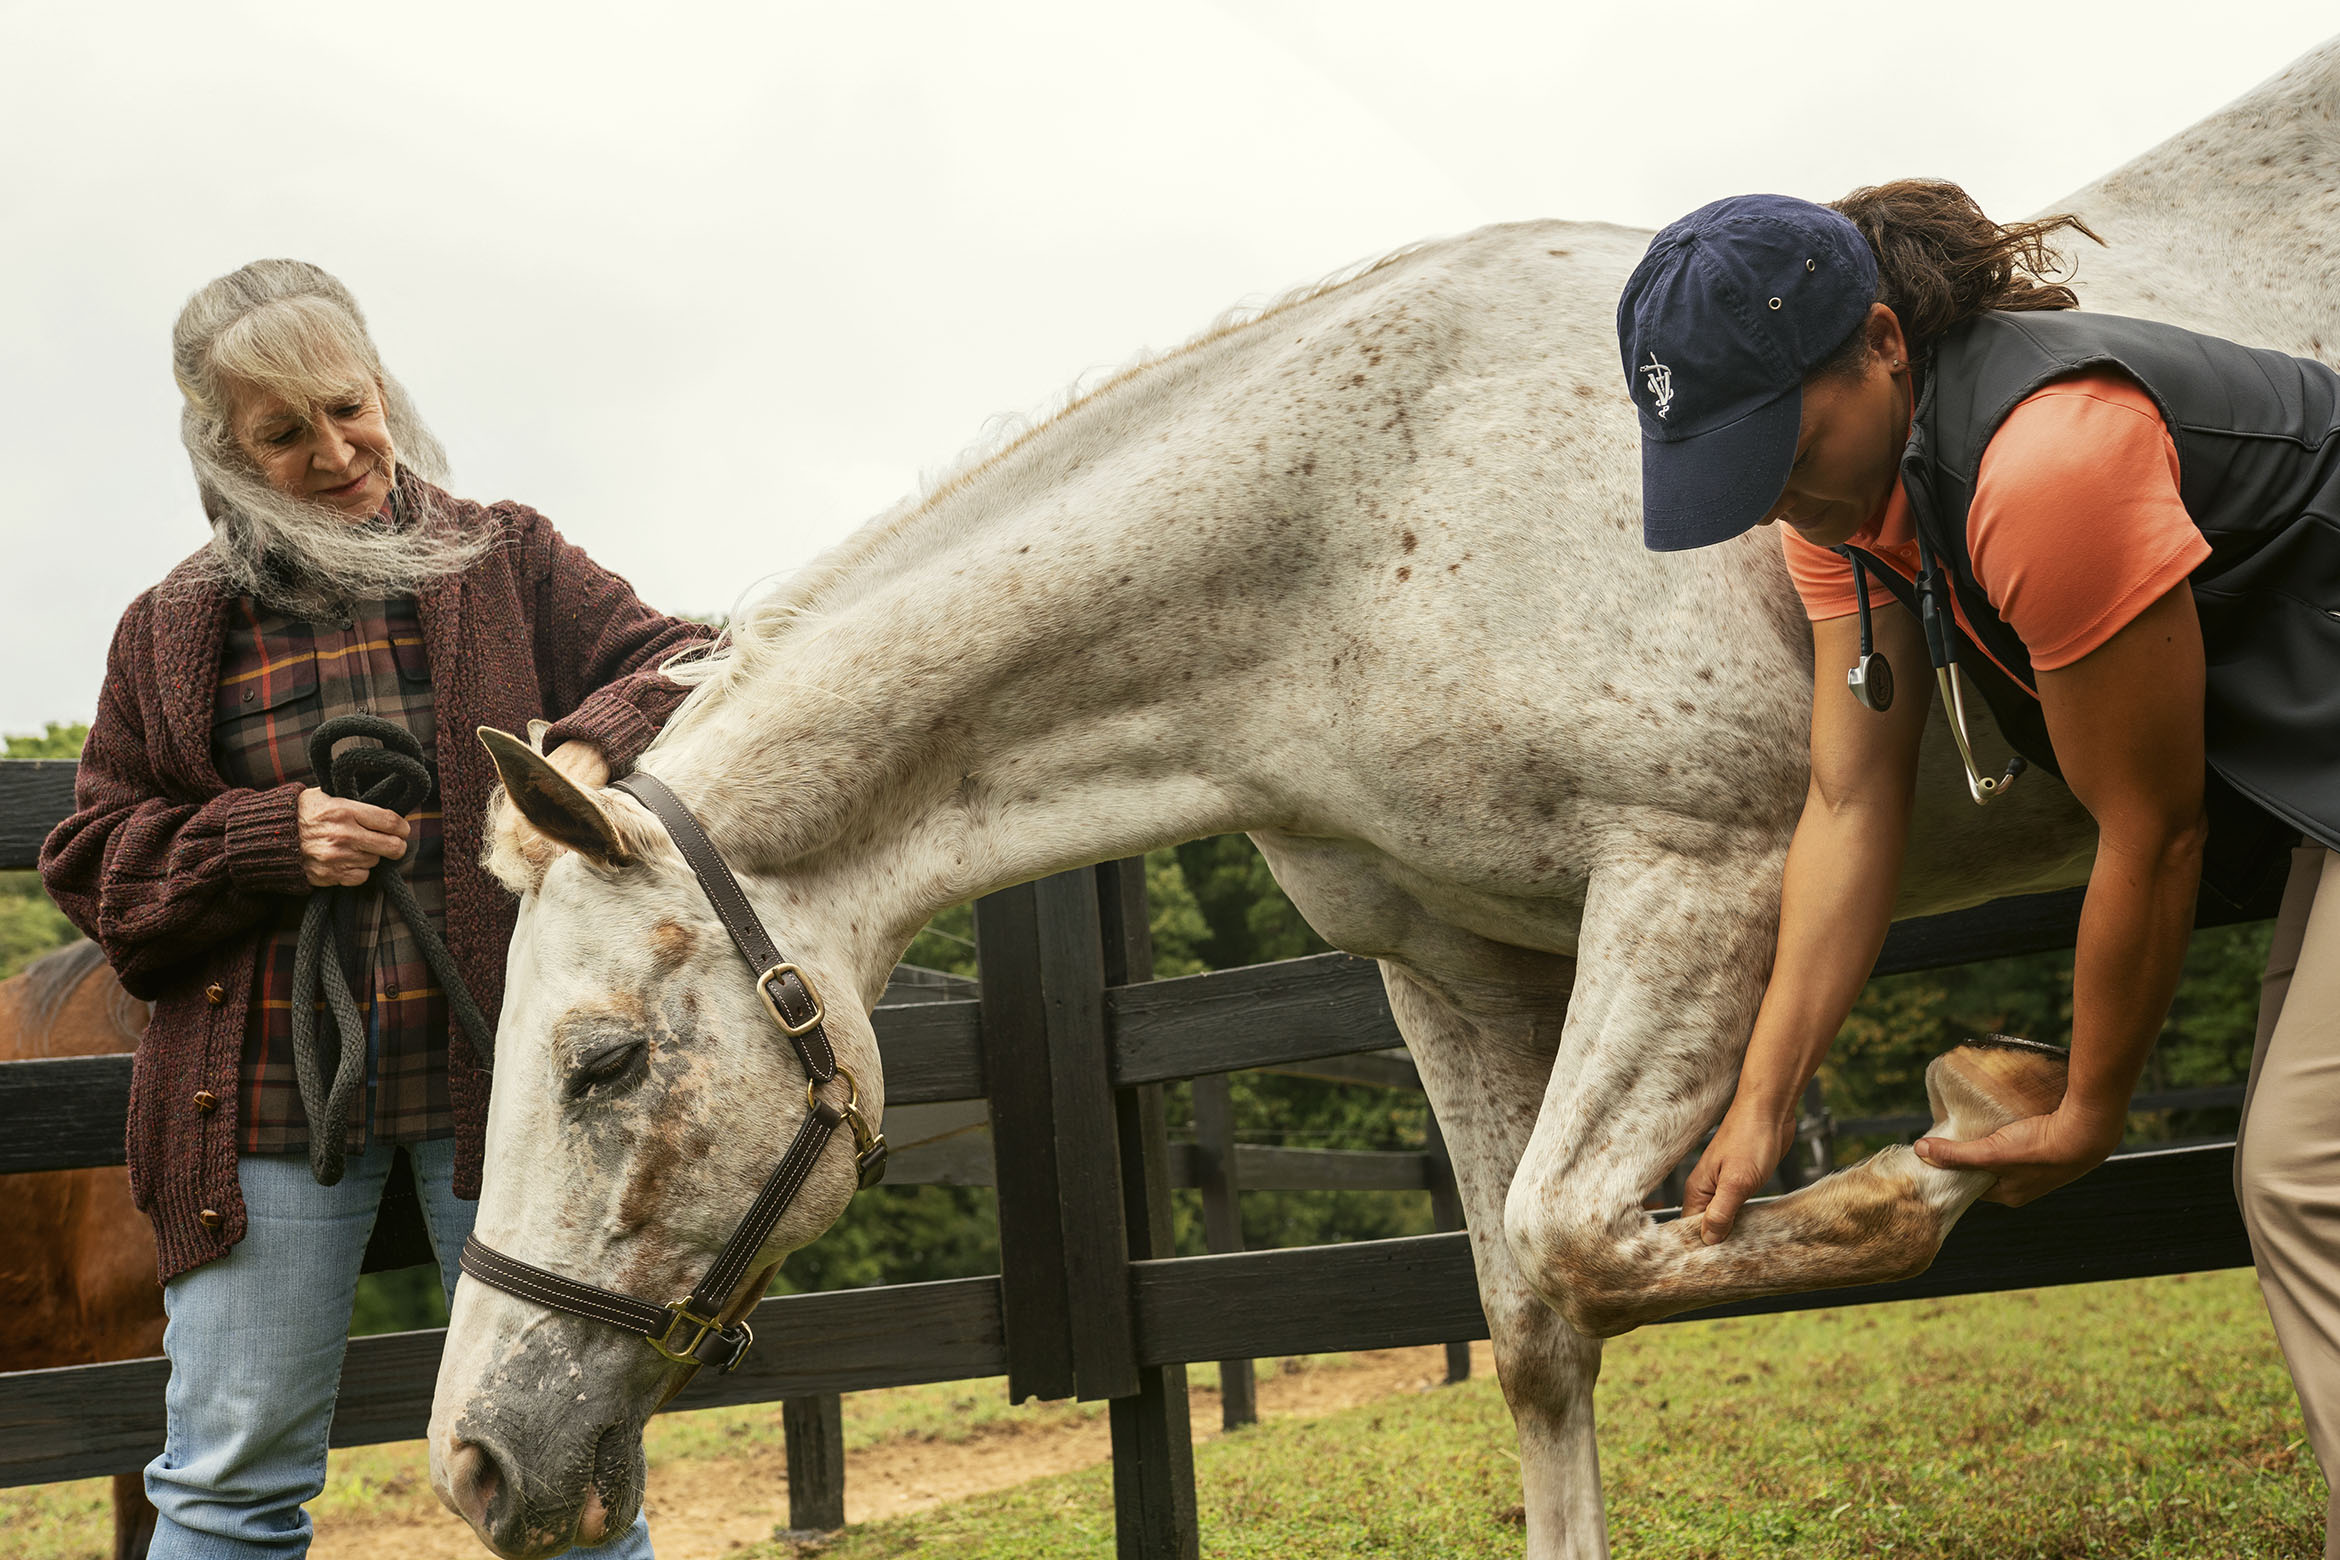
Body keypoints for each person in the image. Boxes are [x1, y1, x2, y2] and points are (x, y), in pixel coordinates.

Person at [1615, 185, 2340, 1543]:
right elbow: (1849, 801)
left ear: (1884, 341)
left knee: (2306, 1173)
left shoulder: (2045, 464)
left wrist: (2090, 1107)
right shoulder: (1846, 513)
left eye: (1783, 442)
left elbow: (2155, 828)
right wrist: (1762, 1099)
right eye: (1736, 464)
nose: (1778, 493)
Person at [41, 259, 712, 1558]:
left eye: (349, 407)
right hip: (261, 1111)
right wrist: (258, 839)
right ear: (223, 449)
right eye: (283, 434)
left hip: (506, 1084)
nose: (337, 450)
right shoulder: (169, 627)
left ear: (382, 385)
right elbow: (93, 862)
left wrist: (578, 750)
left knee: (565, 1465)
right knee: (229, 1480)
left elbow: (685, 658)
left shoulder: (506, 556)